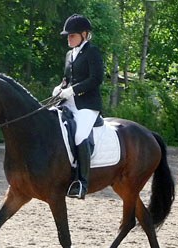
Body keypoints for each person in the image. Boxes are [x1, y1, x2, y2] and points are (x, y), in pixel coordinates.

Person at [53, 13, 104, 199]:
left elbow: (96, 79)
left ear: (84, 34)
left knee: (80, 134)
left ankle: (82, 183)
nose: (69, 38)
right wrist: (61, 88)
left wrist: (73, 90)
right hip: (68, 103)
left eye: (72, 35)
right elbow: (68, 78)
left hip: (87, 105)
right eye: (68, 35)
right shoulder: (69, 54)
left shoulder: (92, 52)